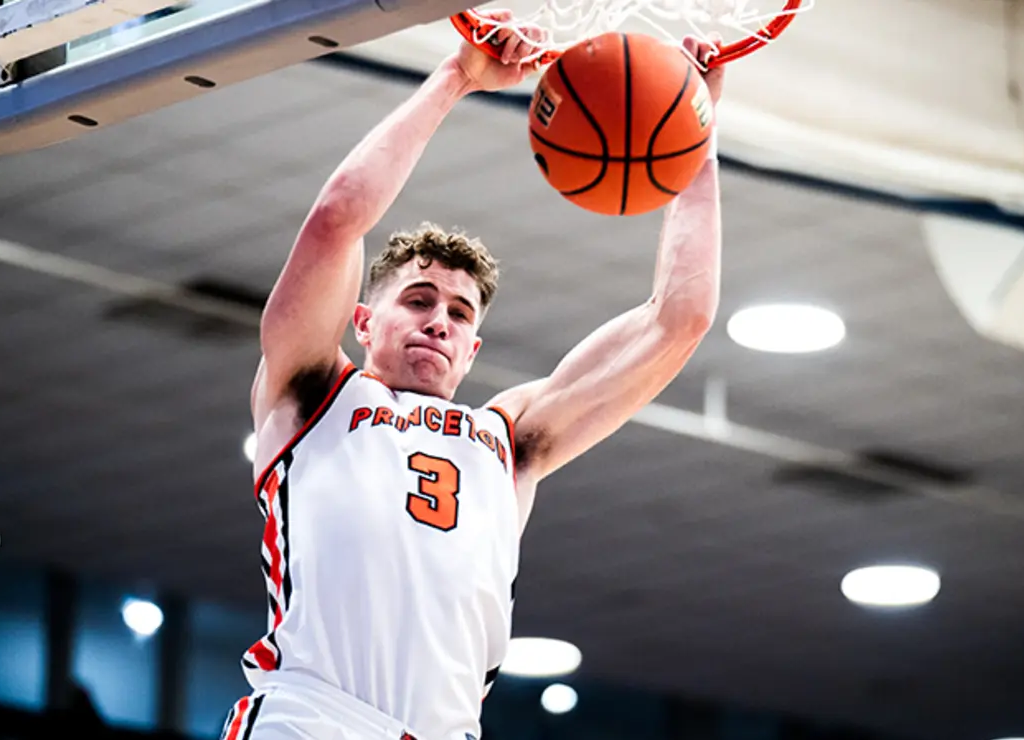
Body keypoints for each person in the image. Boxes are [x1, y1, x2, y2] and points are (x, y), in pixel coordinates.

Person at [223, 15, 725, 740]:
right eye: (419, 300)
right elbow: (337, 219)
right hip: (309, 721)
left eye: (459, 314)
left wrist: (694, 135)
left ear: (474, 348)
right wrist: (457, 76)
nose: (438, 321)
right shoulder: (314, 392)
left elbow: (680, 318)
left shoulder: (507, 440)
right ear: (363, 322)